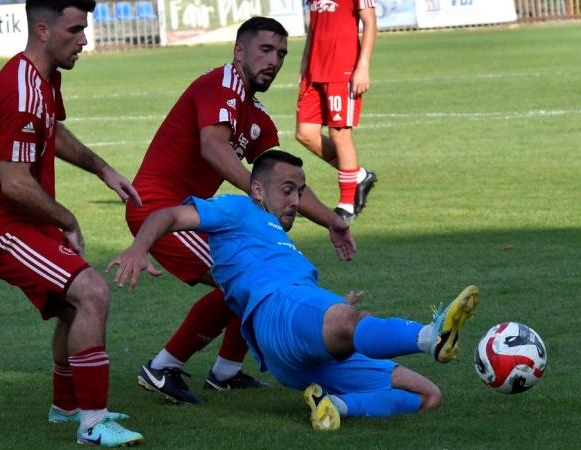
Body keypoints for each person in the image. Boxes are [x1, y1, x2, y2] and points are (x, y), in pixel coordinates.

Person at [108, 150, 479, 430]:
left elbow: (302, 295)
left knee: (428, 396)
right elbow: (168, 215)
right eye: (287, 190)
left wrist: (334, 308)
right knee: (351, 321)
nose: (296, 201)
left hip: (296, 341)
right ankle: (432, 335)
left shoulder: (280, 243)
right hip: (277, 310)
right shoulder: (238, 209)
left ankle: (334, 406)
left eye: (299, 192)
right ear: (257, 189)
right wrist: (139, 248)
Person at [124, 17, 355, 405]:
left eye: (281, 54)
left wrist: (332, 219)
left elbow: (283, 178)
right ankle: (163, 367)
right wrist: (256, 192)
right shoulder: (221, 84)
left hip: (195, 213)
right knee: (246, 277)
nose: (274, 60)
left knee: (256, 270)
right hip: (160, 209)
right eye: (265, 50)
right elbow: (212, 147)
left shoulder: (256, 113)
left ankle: (226, 371)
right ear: (238, 51)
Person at [0, 0, 143, 446]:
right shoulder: (21, 89)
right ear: (42, 30)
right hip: (0, 228)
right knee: (92, 292)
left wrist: (102, 169)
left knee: (72, 303)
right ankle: (93, 424)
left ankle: (67, 407)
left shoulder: (43, 78)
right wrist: (68, 218)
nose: (84, 39)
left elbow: (53, 130)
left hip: (21, 221)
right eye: (75, 29)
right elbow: (15, 184)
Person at [295, 0, 379, 222]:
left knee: (340, 134)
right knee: (305, 134)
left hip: (343, 70)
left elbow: (370, 22)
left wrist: (363, 67)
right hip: (314, 72)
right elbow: (313, 29)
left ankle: (346, 204)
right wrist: (304, 67)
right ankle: (359, 175)